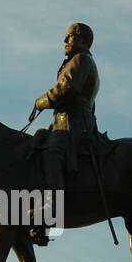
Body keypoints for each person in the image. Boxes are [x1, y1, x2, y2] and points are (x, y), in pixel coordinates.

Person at [29, 22, 100, 245]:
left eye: (69, 37)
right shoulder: (75, 61)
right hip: (64, 121)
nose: (65, 41)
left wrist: (41, 101)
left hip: (73, 123)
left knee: (52, 153)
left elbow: (65, 90)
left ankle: (50, 208)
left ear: (81, 39)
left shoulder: (81, 60)